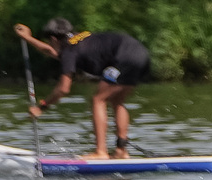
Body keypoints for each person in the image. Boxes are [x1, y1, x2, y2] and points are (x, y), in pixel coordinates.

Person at [12, 18, 150, 158]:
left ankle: (100, 152)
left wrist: (42, 107)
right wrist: (28, 38)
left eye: (49, 41)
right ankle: (121, 150)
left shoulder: (69, 50)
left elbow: (63, 89)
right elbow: (50, 51)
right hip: (141, 54)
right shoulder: (79, 40)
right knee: (116, 101)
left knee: (98, 100)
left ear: (53, 39)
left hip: (124, 58)